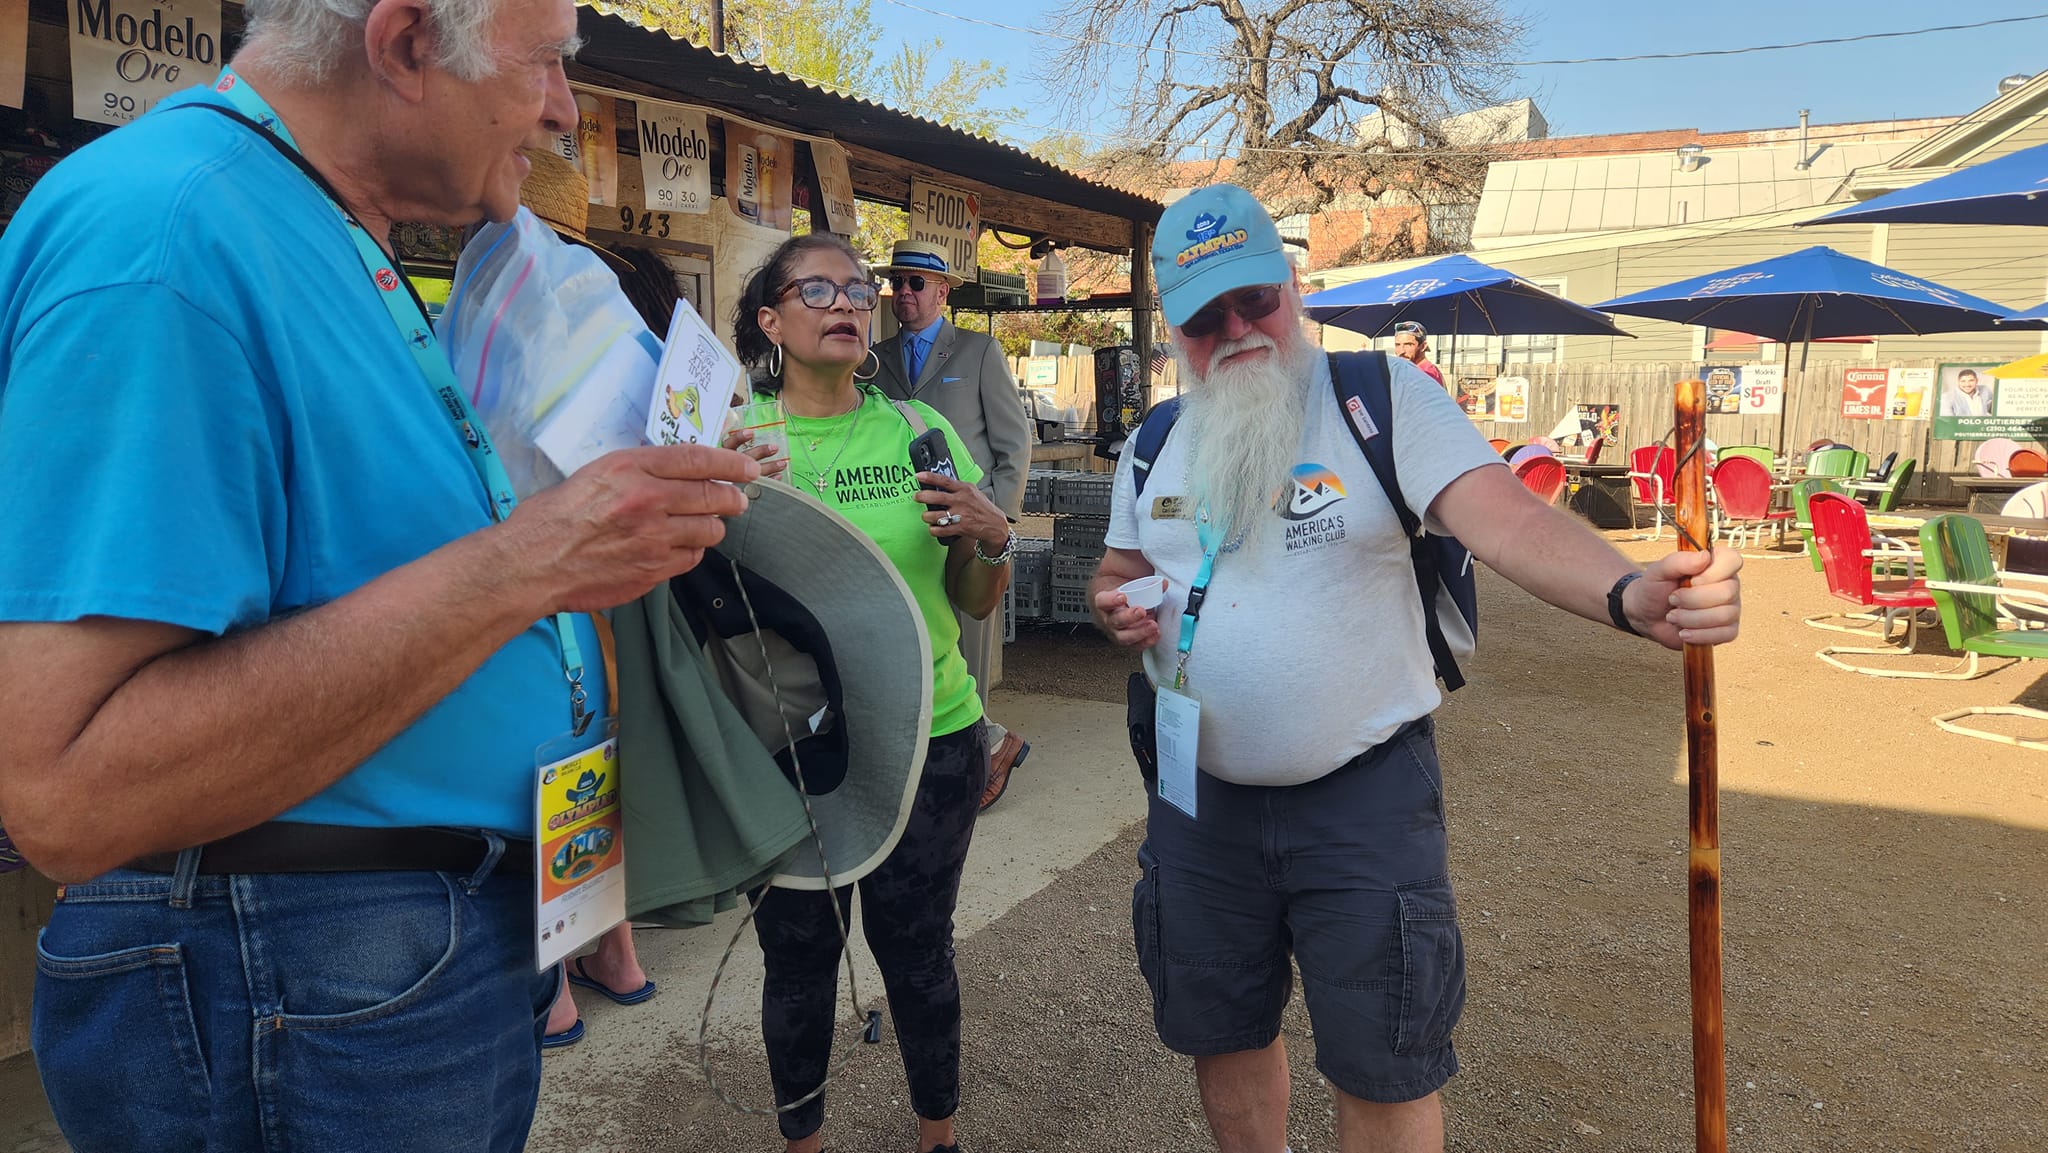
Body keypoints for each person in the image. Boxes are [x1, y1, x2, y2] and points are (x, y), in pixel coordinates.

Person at [0, 0, 756, 1149]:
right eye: (545, 63)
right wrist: (533, 558)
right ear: (405, 44)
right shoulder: (168, 232)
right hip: (295, 970)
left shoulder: (310, 225)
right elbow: (70, 791)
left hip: (362, 965)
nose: (562, 111)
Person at [1087, 184, 1744, 1153]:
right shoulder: (1153, 443)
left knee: (1385, 1061)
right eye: (1202, 318)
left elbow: (1506, 518)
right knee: (1222, 1037)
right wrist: (1116, 606)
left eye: (1252, 300)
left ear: (1292, 285)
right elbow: (1119, 569)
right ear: (1174, 329)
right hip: (1199, 803)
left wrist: (1627, 593)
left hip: (1361, 798)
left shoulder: (1382, 400)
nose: (1234, 331)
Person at [725, 231, 1012, 1153]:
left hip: (931, 733)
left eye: (858, 288)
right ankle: (802, 1141)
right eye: (817, 290)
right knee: (798, 958)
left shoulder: (918, 432)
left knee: (917, 951)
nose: (847, 303)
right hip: (788, 746)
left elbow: (974, 598)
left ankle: (940, 1137)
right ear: (770, 320)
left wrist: (991, 536)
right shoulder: (731, 438)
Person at [510, 148, 659, 1049]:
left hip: (530, 582)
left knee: (539, 764)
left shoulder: (495, 319)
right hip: (602, 588)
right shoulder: (608, 321)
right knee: (594, 757)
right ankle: (616, 949)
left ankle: (557, 979)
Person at [870, 239, 1036, 811]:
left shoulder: (979, 351)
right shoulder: (875, 359)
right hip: (908, 525)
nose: (905, 293)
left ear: (943, 292)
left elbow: (1014, 443)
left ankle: (982, 756)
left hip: (969, 527)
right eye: (897, 282)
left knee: (971, 643)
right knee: (923, 646)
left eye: (917, 283)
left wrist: (997, 519)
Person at [1391, 319, 1445, 387]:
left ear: (1423, 346)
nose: (1401, 351)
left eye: (1408, 345)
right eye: (1397, 345)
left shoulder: (1426, 373)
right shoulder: (1413, 371)